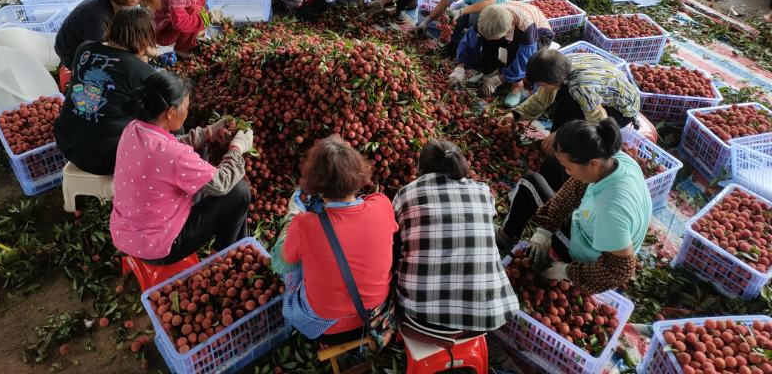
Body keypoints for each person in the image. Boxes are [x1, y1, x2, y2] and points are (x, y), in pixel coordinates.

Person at [496, 49, 640, 252]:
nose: (541, 88)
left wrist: (562, 134)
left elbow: (598, 123)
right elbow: (542, 98)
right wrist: (516, 114)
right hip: (598, 96)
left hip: (618, 110)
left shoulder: (580, 88)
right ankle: (555, 169)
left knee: (567, 111)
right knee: (564, 103)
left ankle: (555, 174)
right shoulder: (562, 65)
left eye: (543, 84)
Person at [110, 70, 253, 264]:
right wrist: (237, 149)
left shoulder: (133, 128)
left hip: (127, 235)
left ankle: (230, 249)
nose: (187, 112)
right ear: (170, 112)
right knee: (239, 192)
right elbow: (221, 184)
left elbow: (170, 149)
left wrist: (207, 133)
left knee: (200, 153)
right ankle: (221, 258)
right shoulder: (175, 156)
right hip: (162, 248)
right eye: (185, 107)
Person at [271, 135, 397, 344]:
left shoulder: (304, 224)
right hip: (376, 317)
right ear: (358, 173)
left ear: (314, 183)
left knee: (292, 264)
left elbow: (280, 265)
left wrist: (291, 217)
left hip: (327, 329)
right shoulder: (382, 205)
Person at [393, 140, 519, 334]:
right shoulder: (484, 192)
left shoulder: (405, 195)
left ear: (420, 168)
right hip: (487, 317)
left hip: (420, 316)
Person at [524, 119, 651, 294]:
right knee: (553, 164)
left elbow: (619, 271)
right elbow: (575, 187)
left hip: (592, 262)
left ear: (593, 163)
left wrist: (567, 271)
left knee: (530, 183)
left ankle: (506, 236)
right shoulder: (617, 160)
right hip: (601, 237)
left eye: (569, 168)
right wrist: (545, 229)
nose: (568, 172)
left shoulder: (610, 210)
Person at [55, 7, 157, 176]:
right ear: (143, 39)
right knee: (160, 118)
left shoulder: (84, 49)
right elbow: (162, 113)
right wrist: (146, 58)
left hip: (67, 141)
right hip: (105, 158)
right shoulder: (139, 70)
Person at [54, 0, 159, 70]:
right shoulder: (97, 16)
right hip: (72, 54)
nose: (135, 1)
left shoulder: (124, 5)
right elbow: (103, 52)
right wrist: (141, 52)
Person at [452, 2, 553, 106]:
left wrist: (499, 80)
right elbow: (470, 41)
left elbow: (524, 60)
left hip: (539, 34)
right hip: (505, 22)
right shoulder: (486, 19)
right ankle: (490, 71)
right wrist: (460, 66)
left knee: (515, 51)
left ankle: (517, 85)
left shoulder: (526, 29)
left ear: (508, 30)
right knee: (487, 41)